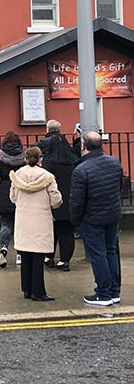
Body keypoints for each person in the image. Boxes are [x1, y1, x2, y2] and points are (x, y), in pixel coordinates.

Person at [69, 131, 124, 307]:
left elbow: (76, 202)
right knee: (111, 252)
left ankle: (103, 293)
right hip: (112, 215)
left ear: (83, 147)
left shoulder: (81, 170)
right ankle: (114, 292)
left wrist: (76, 220)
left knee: (98, 255)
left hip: (92, 218)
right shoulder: (115, 162)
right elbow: (119, 188)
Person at [9, 145, 62, 302]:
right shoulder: (47, 177)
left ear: (26, 159)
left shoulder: (17, 176)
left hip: (23, 220)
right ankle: (38, 292)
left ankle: (26, 289)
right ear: (41, 159)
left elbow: (13, 198)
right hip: (40, 220)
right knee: (38, 257)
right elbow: (56, 200)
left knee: (25, 256)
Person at [36, 119, 79, 271]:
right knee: (67, 232)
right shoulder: (72, 161)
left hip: (52, 201)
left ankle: (49, 257)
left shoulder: (49, 163)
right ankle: (65, 261)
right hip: (70, 200)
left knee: (51, 231)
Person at [0, 131, 26, 268]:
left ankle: (4, 248)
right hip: (21, 191)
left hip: (4, 191)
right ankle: (20, 254)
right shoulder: (24, 155)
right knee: (20, 225)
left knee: (5, 223)